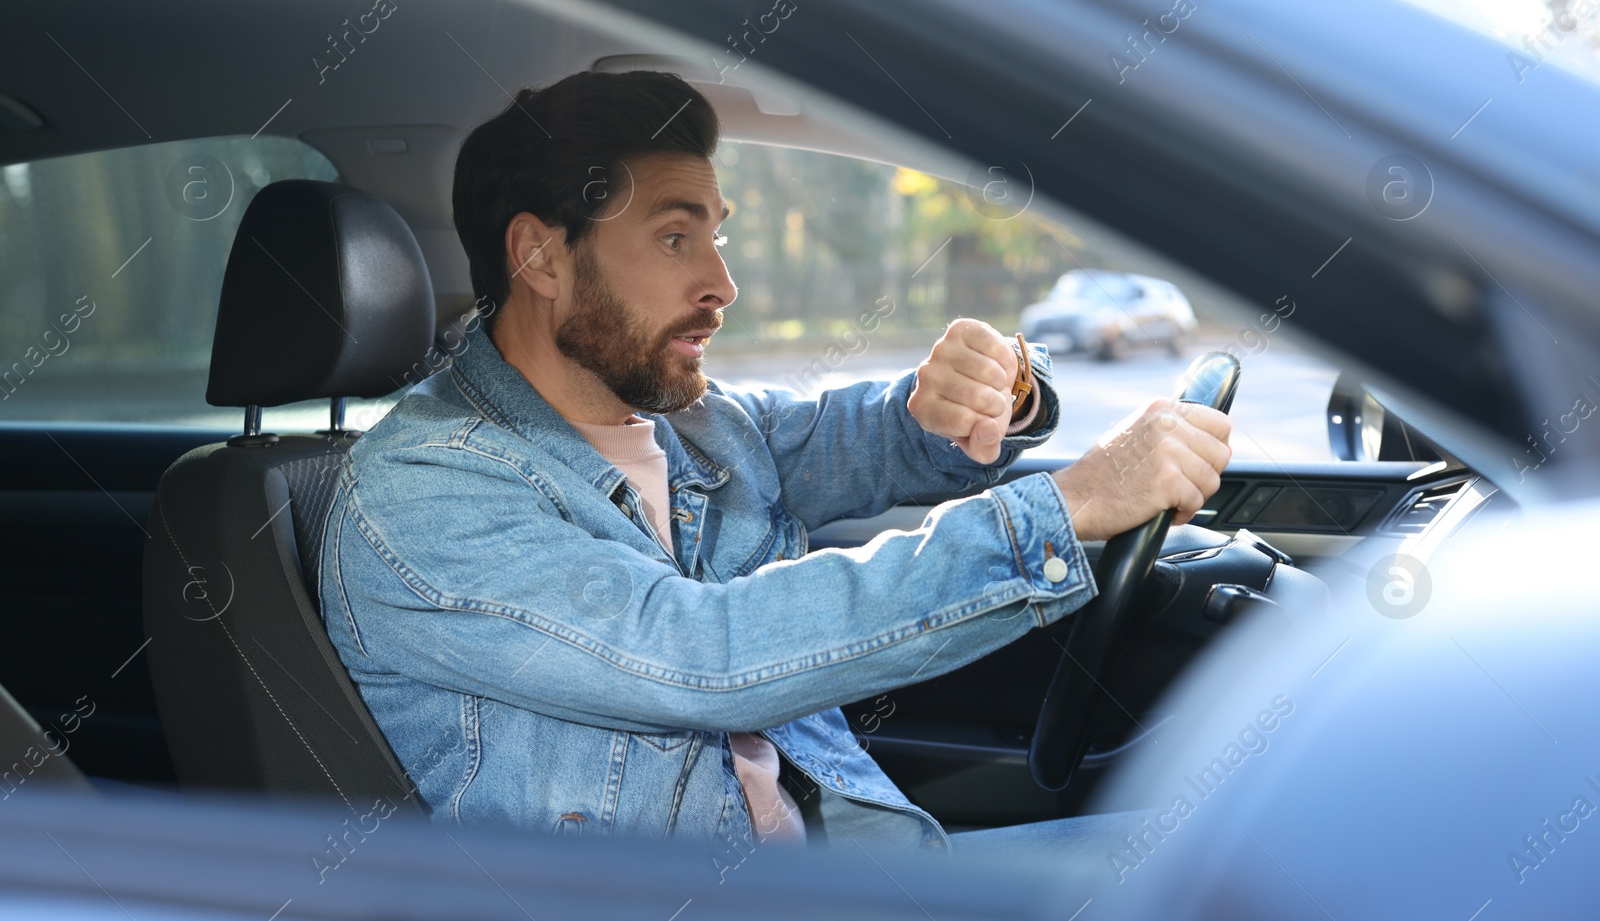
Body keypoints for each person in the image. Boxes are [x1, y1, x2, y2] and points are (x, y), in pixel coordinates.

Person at [318, 70, 1231, 870]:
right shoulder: (424, 488)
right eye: (677, 238)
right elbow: (704, 654)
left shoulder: (688, 422)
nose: (723, 281)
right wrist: (1068, 509)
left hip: (842, 872)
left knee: (1243, 854)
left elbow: (871, 434)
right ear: (540, 256)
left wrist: (987, 390)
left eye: (719, 234)